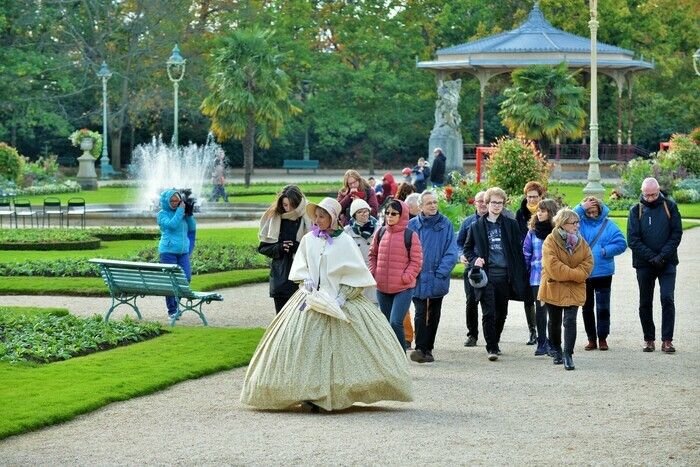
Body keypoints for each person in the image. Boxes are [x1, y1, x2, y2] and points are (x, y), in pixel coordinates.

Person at [240, 198, 413, 412]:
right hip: (311, 298)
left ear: (333, 218)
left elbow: (356, 274)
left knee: (348, 350)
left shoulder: (345, 241)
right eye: (317, 216)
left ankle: (340, 391)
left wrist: (342, 297)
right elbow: (301, 266)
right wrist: (306, 281)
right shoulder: (308, 240)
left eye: (323, 216)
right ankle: (307, 392)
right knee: (302, 346)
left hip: (341, 300)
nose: (318, 220)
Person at [463, 187, 528, 361]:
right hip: (487, 276)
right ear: (487, 203)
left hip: (506, 276)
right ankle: (491, 346)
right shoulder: (476, 226)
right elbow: (467, 249)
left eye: (500, 203)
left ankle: (495, 340)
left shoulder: (511, 225)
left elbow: (518, 250)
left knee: (502, 312)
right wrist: (474, 259)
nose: (497, 206)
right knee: (488, 312)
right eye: (494, 202)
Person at [627, 177, 683, 353]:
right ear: (642, 192)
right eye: (647, 195)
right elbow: (633, 240)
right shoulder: (636, 210)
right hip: (645, 263)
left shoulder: (670, 206)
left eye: (653, 195)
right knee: (645, 301)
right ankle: (648, 339)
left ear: (658, 191)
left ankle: (667, 340)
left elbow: (676, 233)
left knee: (667, 298)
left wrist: (662, 256)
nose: (650, 198)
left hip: (667, 262)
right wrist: (652, 257)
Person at [538, 209, 593, 370]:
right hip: (553, 286)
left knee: (570, 321)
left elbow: (588, 262)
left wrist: (573, 275)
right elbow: (553, 267)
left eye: (577, 222)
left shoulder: (581, 242)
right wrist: (576, 274)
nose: (576, 226)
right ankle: (556, 349)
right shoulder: (550, 241)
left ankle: (568, 354)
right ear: (563, 224)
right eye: (573, 223)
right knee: (554, 322)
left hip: (574, 288)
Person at [408, 190, 459, 363]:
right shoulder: (412, 225)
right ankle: (420, 348)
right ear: (420, 206)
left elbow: (452, 252)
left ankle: (427, 348)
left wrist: (440, 273)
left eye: (435, 202)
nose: (433, 205)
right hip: (418, 278)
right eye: (429, 203)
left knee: (433, 314)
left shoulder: (446, 224)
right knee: (420, 313)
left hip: (437, 278)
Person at [369, 199, 423, 351]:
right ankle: (390, 357)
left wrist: (406, 277)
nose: (389, 216)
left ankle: (400, 356)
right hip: (382, 287)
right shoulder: (380, 232)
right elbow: (372, 254)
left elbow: (417, 261)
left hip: (403, 288)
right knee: (386, 324)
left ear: (402, 215)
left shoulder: (410, 235)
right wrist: (374, 272)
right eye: (387, 213)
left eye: (394, 213)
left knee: (395, 322)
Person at [574, 196, 627, 351]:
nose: (591, 214)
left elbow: (622, 243)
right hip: (584, 272)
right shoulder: (579, 224)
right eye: (588, 211)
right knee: (587, 307)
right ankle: (591, 339)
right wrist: (581, 207)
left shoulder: (609, 225)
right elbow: (565, 220)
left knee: (603, 307)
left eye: (594, 211)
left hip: (603, 272)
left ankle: (603, 338)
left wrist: (605, 251)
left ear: (600, 210)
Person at [258, 185, 313, 313]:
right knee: (281, 319)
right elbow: (263, 248)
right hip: (281, 276)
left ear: (298, 203)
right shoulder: (275, 217)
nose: (288, 209)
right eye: (285, 205)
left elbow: (316, 247)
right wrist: (280, 247)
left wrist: (297, 246)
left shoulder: (309, 217)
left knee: (301, 316)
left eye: (292, 205)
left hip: (303, 277)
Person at [522, 198, 558, 356]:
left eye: (542, 211)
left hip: (555, 276)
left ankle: (553, 342)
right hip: (536, 277)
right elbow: (526, 253)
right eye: (538, 211)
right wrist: (525, 272)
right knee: (540, 310)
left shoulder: (557, 232)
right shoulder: (532, 232)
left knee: (554, 311)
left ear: (550, 213)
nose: (539, 214)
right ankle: (541, 341)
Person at [157, 188, 196, 320]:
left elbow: (192, 229)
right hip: (167, 252)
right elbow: (171, 225)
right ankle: (172, 310)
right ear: (166, 201)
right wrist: (180, 211)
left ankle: (176, 304)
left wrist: (189, 214)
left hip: (182, 252)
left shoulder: (182, 214)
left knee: (186, 278)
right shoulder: (162, 214)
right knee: (171, 281)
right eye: (172, 200)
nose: (175, 202)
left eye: (177, 200)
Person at [516, 181, 546, 345]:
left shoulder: (547, 212)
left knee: (542, 300)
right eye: (529, 197)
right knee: (529, 298)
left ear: (541, 197)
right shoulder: (520, 213)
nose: (532, 200)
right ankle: (532, 330)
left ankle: (543, 332)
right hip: (525, 256)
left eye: (535, 197)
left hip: (540, 259)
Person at [457, 191, 488, 347]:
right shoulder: (468, 222)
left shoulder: (495, 221)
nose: (482, 204)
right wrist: (461, 254)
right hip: (471, 268)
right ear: (474, 203)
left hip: (490, 268)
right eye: (479, 201)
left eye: (485, 201)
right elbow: (458, 243)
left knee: (490, 303)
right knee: (471, 302)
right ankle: (472, 335)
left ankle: (492, 335)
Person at [344, 198, 379, 303]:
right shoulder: (347, 232)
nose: (364, 214)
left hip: (374, 272)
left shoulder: (379, 228)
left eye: (366, 211)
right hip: (356, 272)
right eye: (359, 212)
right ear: (354, 215)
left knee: (375, 305)